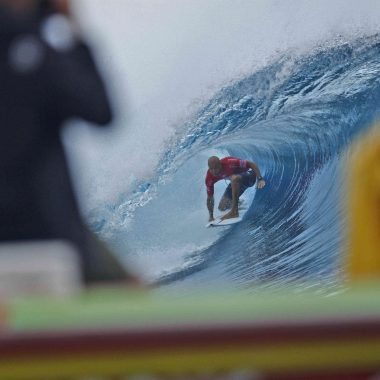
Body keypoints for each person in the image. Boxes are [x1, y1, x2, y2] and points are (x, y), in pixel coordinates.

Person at [0, 0, 139, 285]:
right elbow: (101, 111)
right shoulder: (37, 59)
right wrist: (74, 29)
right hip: (49, 233)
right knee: (130, 290)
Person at [206, 156, 266, 221]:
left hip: (249, 176)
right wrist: (211, 216)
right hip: (236, 182)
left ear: (220, 164)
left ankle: (234, 211)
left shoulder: (229, 162)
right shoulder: (209, 177)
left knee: (234, 178)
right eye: (211, 169)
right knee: (222, 207)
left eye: (216, 168)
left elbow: (251, 164)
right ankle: (239, 203)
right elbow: (210, 198)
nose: (214, 171)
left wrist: (260, 179)